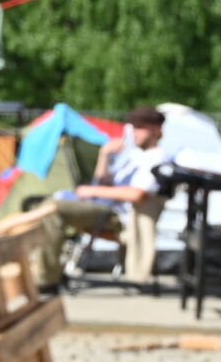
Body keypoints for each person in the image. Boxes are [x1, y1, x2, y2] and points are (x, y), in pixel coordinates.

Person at [74, 107, 173, 281]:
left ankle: (45, 280)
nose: (135, 133)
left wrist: (91, 190)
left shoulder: (157, 158)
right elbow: (104, 182)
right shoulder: (133, 156)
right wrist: (104, 155)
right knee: (48, 208)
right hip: (103, 208)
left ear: (157, 130)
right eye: (134, 128)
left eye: (141, 128)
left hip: (117, 216)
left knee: (53, 211)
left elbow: (137, 194)